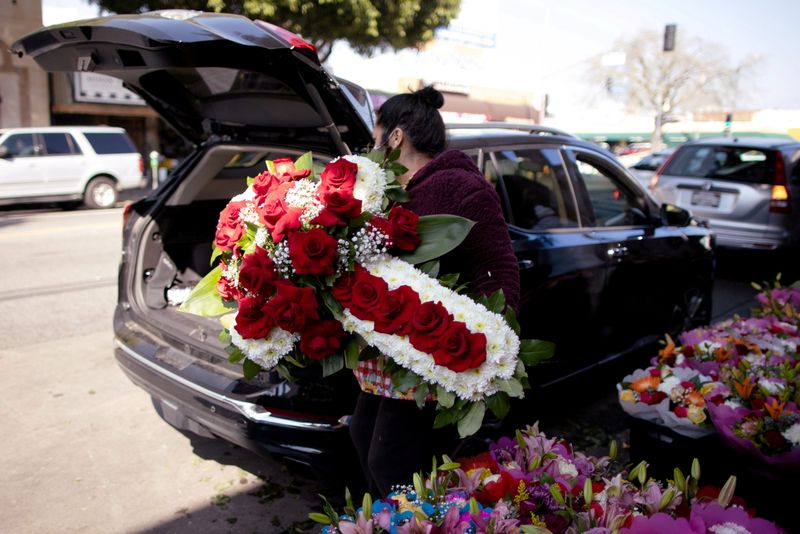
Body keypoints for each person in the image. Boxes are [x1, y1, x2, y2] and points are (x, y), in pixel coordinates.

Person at [348, 86, 520, 496]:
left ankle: (418, 522)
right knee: (361, 438)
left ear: (395, 137)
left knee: (392, 462)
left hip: (433, 346)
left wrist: (488, 342)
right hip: (391, 347)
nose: (372, 146)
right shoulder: (386, 190)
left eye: (376, 135)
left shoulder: (460, 187)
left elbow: (499, 267)